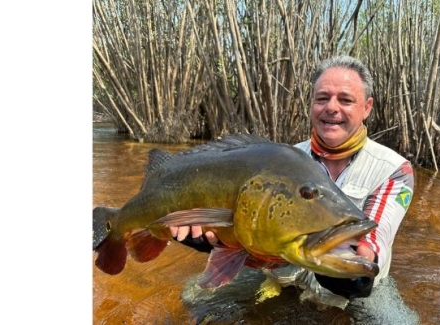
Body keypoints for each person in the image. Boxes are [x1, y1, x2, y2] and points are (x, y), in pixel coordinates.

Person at [171, 55, 415, 308]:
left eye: (345, 100)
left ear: (366, 107)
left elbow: (374, 241)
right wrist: (220, 239)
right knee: (192, 300)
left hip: (355, 299)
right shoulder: (282, 160)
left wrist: (357, 271)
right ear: (311, 104)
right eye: (322, 98)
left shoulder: (395, 169)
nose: (331, 107)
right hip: (282, 282)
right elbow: (252, 233)